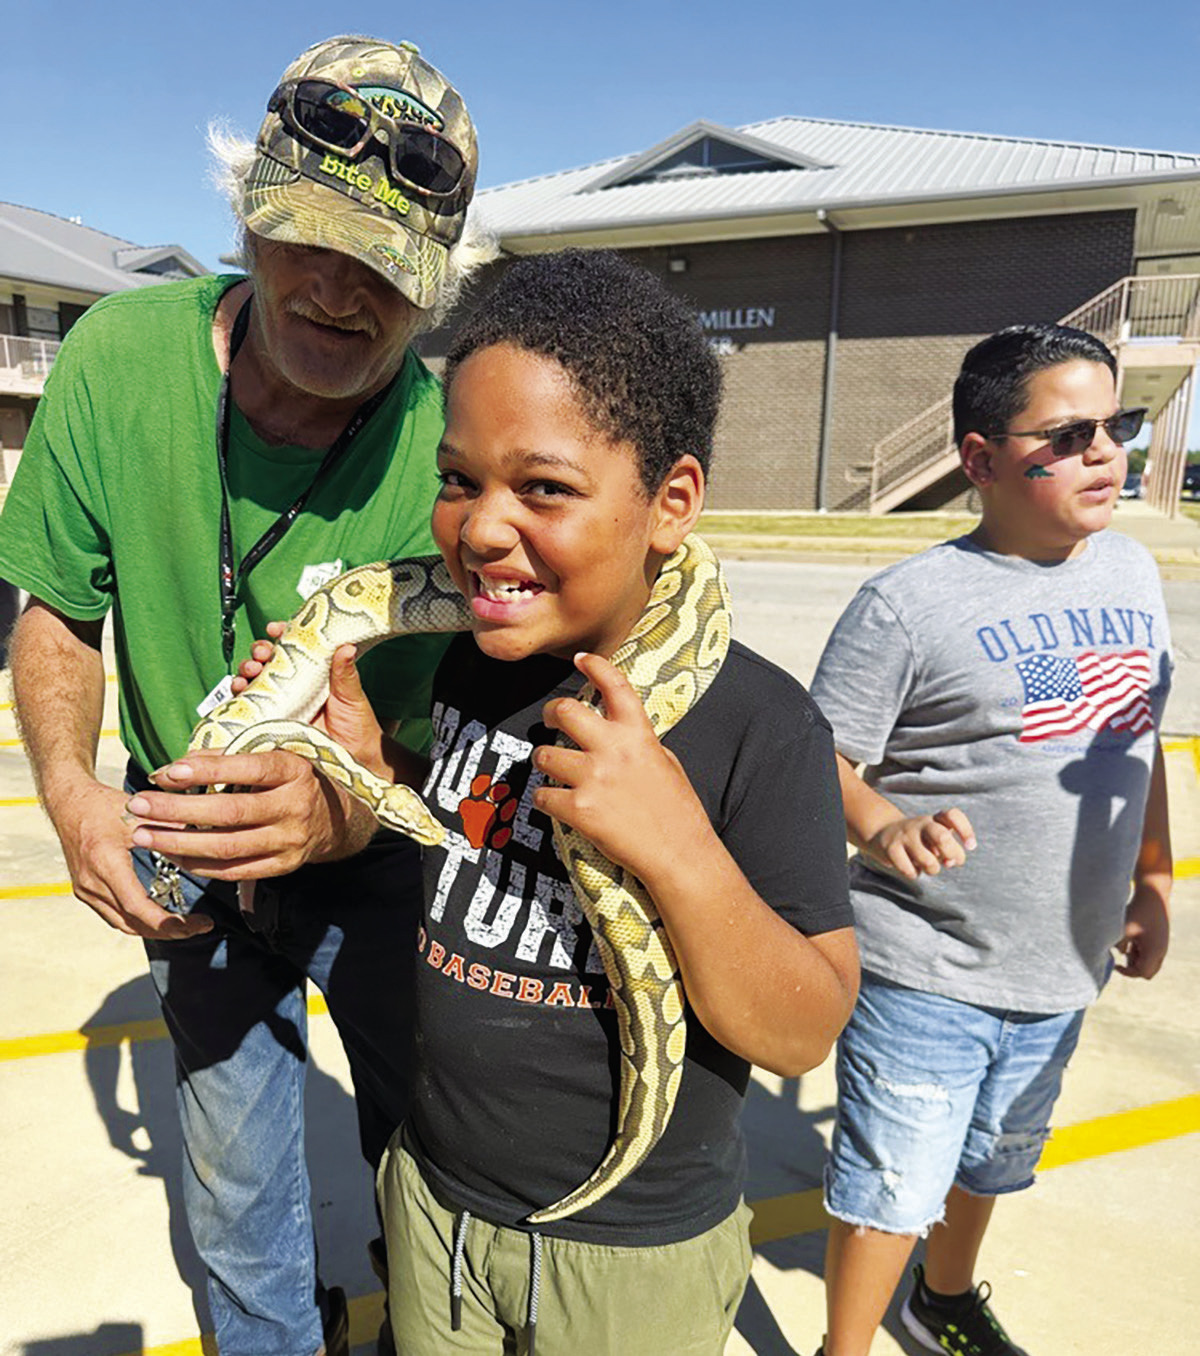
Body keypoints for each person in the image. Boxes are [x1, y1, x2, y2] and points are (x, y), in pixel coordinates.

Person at [219, 247, 858, 1355]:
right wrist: (378, 770)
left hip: (630, 1254)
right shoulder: (475, 662)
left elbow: (804, 1027)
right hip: (432, 1199)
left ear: (671, 504)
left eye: (545, 488)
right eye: (459, 478)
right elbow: (469, 848)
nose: (479, 528)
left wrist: (679, 852)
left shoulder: (758, 723)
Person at [0, 35, 488, 1356]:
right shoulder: (115, 358)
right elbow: (58, 609)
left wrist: (346, 807)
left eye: (386, 265)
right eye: (306, 240)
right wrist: (72, 790)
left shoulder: (457, 450)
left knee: (436, 1153)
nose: (338, 291)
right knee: (234, 1200)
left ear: (435, 289)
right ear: (244, 216)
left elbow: (483, 730)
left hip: (384, 862)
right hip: (192, 849)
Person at [808, 323, 1174, 1356]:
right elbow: (818, 758)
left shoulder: (1133, 577)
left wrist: (1152, 878)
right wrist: (883, 824)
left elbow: (1133, 743)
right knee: (891, 1182)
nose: (1105, 452)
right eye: (1067, 435)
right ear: (979, 460)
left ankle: (944, 1299)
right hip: (926, 964)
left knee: (994, 1157)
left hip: (1062, 966)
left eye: (1118, 425)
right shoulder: (909, 607)